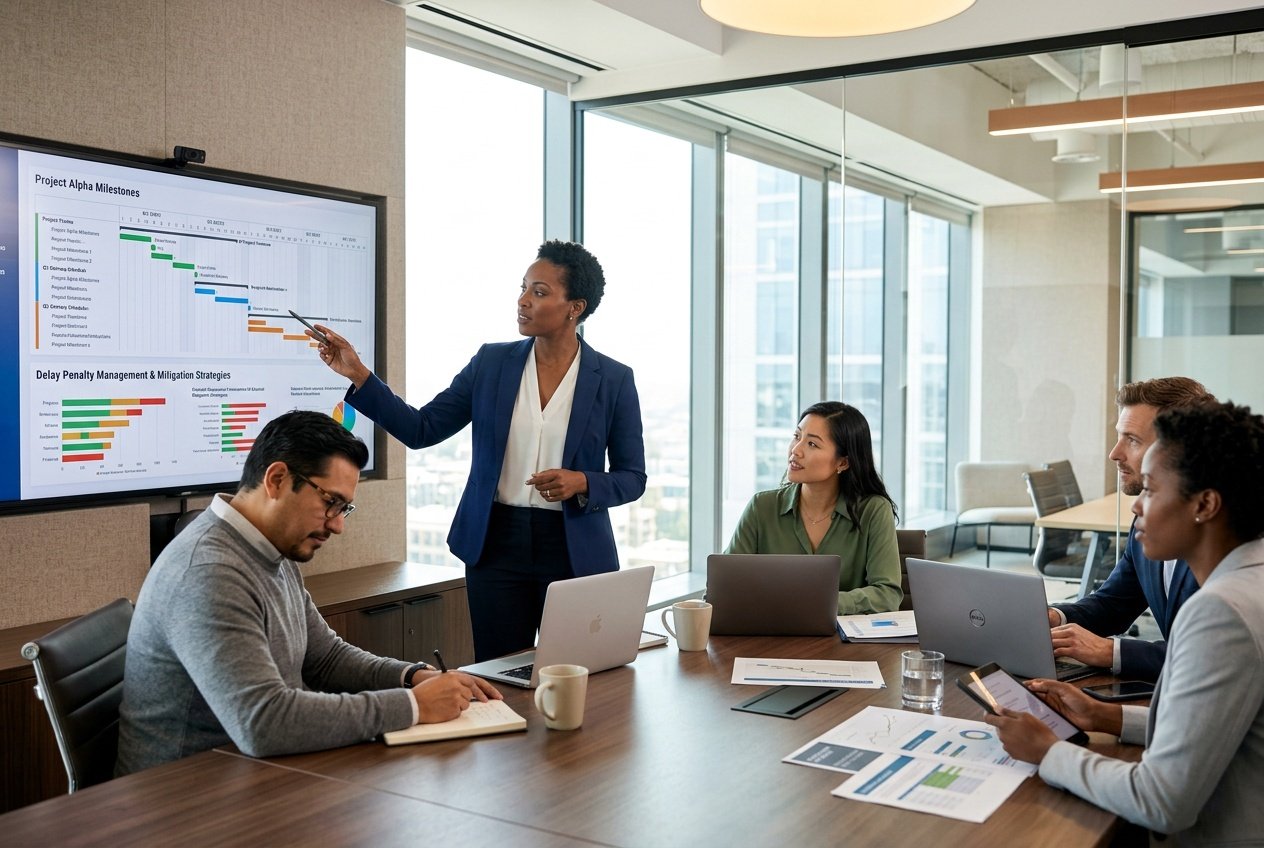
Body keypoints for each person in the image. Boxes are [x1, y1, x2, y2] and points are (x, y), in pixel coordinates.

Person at [116, 411, 501, 777]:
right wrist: (414, 706)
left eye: (344, 508)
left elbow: (327, 659)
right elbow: (263, 722)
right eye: (330, 502)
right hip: (180, 803)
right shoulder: (209, 572)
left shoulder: (271, 548)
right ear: (278, 479)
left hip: (250, 774)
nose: (337, 526)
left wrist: (411, 677)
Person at [311, 241, 646, 662]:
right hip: (496, 544)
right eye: (523, 289)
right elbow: (422, 428)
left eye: (539, 292)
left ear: (574, 307)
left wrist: (582, 481)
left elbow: (633, 477)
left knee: (582, 673)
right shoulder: (491, 364)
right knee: (500, 672)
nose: (523, 301)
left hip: (574, 547)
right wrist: (359, 373)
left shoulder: (613, 379)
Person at [986, 401, 1264, 845]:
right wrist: (1105, 716)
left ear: (1205, 504)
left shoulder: (1221, 611)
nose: (1136, 507)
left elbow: (1161, 801)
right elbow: (1218, 725)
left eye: (1151, 490)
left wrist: (1048, 752)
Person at [1047, 377, 1215, 682]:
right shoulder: (1147, 519)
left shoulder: (1228, 539)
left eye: (1132, 440)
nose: (1114, 453)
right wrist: (1057, 618)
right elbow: (1115, 603)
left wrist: (1110, 652)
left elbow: (1212, 658)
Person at [724, 401, 902, 614]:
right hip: (771, 637)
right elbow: (725, 583)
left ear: (843, 463)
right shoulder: (761, 507)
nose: (796, 450)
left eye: (812, 444)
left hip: (844, 641)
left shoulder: (873, 510)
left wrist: (821, 603)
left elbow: (887, 595)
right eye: (797, 436)